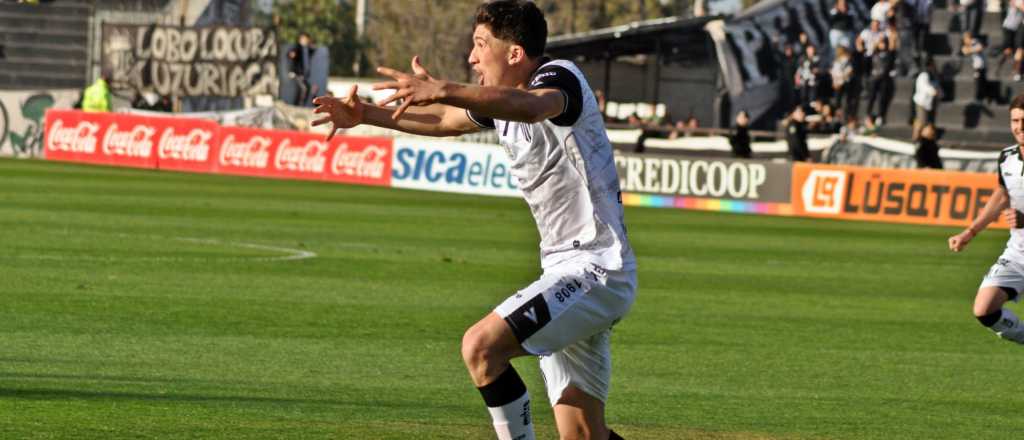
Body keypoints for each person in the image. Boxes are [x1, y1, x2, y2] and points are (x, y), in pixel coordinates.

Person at [311, 2, 635, 439]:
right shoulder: (502, 102)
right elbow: (447, 118)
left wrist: (444, 87)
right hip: (564, 271)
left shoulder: (559, 79)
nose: (472, 57)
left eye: (481, 45)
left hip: (596, 269)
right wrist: (367, 114)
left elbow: (532, 106)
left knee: (480, 348)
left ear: (515, 54)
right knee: (582, 435)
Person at [948, 94, 1024, 345]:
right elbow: (1002, 196)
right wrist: (969, 232)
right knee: (984, 308)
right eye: (1015, 120)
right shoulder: (1007, 158)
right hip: (1019, 254)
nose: (1019, 127)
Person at [912, 58, 941, 140]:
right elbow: (925, 86)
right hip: (921, 102)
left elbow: (937, 87)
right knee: (921, 122)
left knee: (925, 122)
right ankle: (915, 138)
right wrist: (933, 91)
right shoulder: (923, 75)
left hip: (929, 104)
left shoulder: (933, 76)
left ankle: (921, 139)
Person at [961, 32, 987, 103]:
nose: (964, 40)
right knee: (978, 82)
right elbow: (964, 51)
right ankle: (979, 97)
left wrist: (970, 49)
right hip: (978, 66)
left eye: (965, 39)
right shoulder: (969, 44)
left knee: (979, 83)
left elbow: (980, 47)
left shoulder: (974, 42)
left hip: (980, 66)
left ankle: (979, 98)